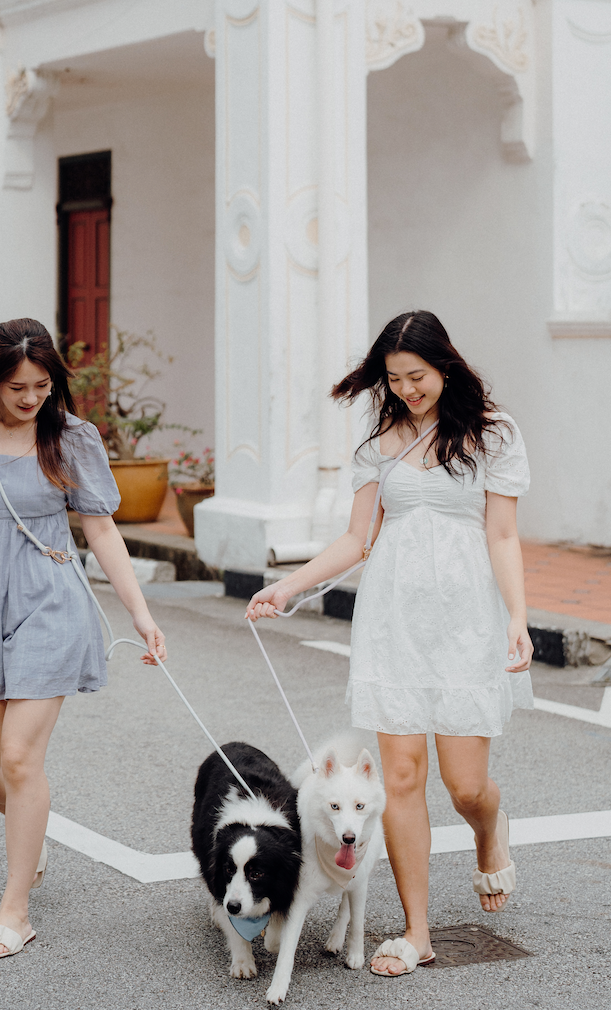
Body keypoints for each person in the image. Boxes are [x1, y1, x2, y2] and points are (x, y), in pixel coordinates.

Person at [246, 310, 533, 977]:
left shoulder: (493, 435)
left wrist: (517, 615)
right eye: (395, 379)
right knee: (400, 777)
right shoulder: (382, 445)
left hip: (466, 618)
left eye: (418, 376)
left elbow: (503, 536)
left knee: (465, 786)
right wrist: (288, 586)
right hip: (394, 620)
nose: (407, 389)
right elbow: (357, 538)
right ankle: (416, 931)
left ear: (446, 367)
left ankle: (490, 827)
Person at [0, 318, 167, 959]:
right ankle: (29, 830)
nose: (30, 399)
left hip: (50, 599)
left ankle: (15, 911)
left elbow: (101, 533)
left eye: (42, 386)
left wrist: (140, 614)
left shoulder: (71, 437)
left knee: (19, 758)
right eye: (17, 388)